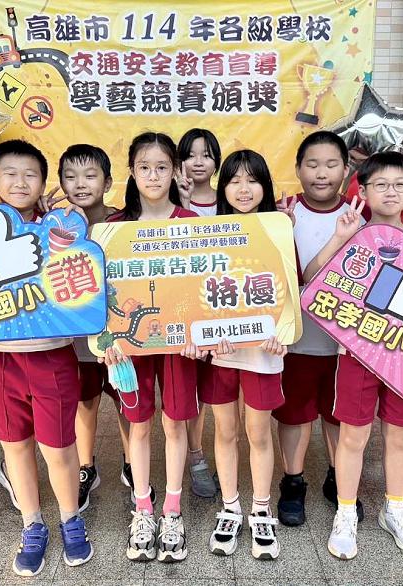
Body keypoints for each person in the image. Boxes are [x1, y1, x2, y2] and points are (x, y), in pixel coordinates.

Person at [304, 151, 403, 560]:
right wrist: (339, 238)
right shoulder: (353, 237)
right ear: (363, 190)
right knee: (353, 435)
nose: (390, 192)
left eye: (399, 185)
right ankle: (346, 512)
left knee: (399, 435)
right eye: (380, 185)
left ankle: (395, 509)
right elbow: (310, 281)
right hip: (356, 356)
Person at [0, 139, 93, 575]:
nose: (20, 182)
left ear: (43, 183)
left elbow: (80, 287)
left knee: (59, 447)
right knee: (15, 446)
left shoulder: (59, 231)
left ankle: (71, 520)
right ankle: (32, 525)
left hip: (52, 357)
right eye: (9, 173)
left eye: (30, 174)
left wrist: (70, 227)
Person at [104, 131, 202, 563]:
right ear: (132, 171)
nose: (153, 175)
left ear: (175, 171)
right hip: (130, 346)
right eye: (144, 167)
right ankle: (143, 508)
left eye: (162, 167)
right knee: (139, 425)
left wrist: (202, 334)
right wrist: (106, 341)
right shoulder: (113, 228)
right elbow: (101, 293)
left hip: (180, 346)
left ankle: (172, 510)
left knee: (176, 424)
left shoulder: (192, 223)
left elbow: (205, 287)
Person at [273, 131, 364, 526]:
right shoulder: (282, 213)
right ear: (298, 169)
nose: (321, 173)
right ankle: (293, 482)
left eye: (330, 165)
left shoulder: (361, 216)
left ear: (346, 170)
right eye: (312, 164)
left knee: (338, 415)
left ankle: (337, 476)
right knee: (293, 415)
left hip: (345, 345)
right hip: (295, 341)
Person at [202, 150, 285, 560]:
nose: (243, 188)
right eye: (234, 180)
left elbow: (289, 288)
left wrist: (284, 332)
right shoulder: (210, 232)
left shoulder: (279, 230)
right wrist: (202, 333)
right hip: (222, 353)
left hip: (263, 354)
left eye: (252, 180)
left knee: (258, 432)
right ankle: (231, 506)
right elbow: (196, 294)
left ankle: (261, 509)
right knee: (224, 431)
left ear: (265, 186)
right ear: (223, 188)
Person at [54, 143, 136, 512]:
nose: (80, 184)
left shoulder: (122, 223)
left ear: (107, 182)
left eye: (90, 176)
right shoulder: (54, 226)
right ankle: (86, 467)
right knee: (84, 400)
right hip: (76, 338)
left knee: (125, 397)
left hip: (119, 336)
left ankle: (133, 464)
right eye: (71, 177)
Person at [176, 128, 223, 498]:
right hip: (183, 308)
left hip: (222, 308)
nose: (198, 162)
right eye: (190, 155)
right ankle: (196, 457)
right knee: (189, 388)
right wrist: (183, 203)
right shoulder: (169, 201)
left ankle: (222, 456)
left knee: (213, 390)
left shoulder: (231, 199)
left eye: (206, 154)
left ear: (216, 161)